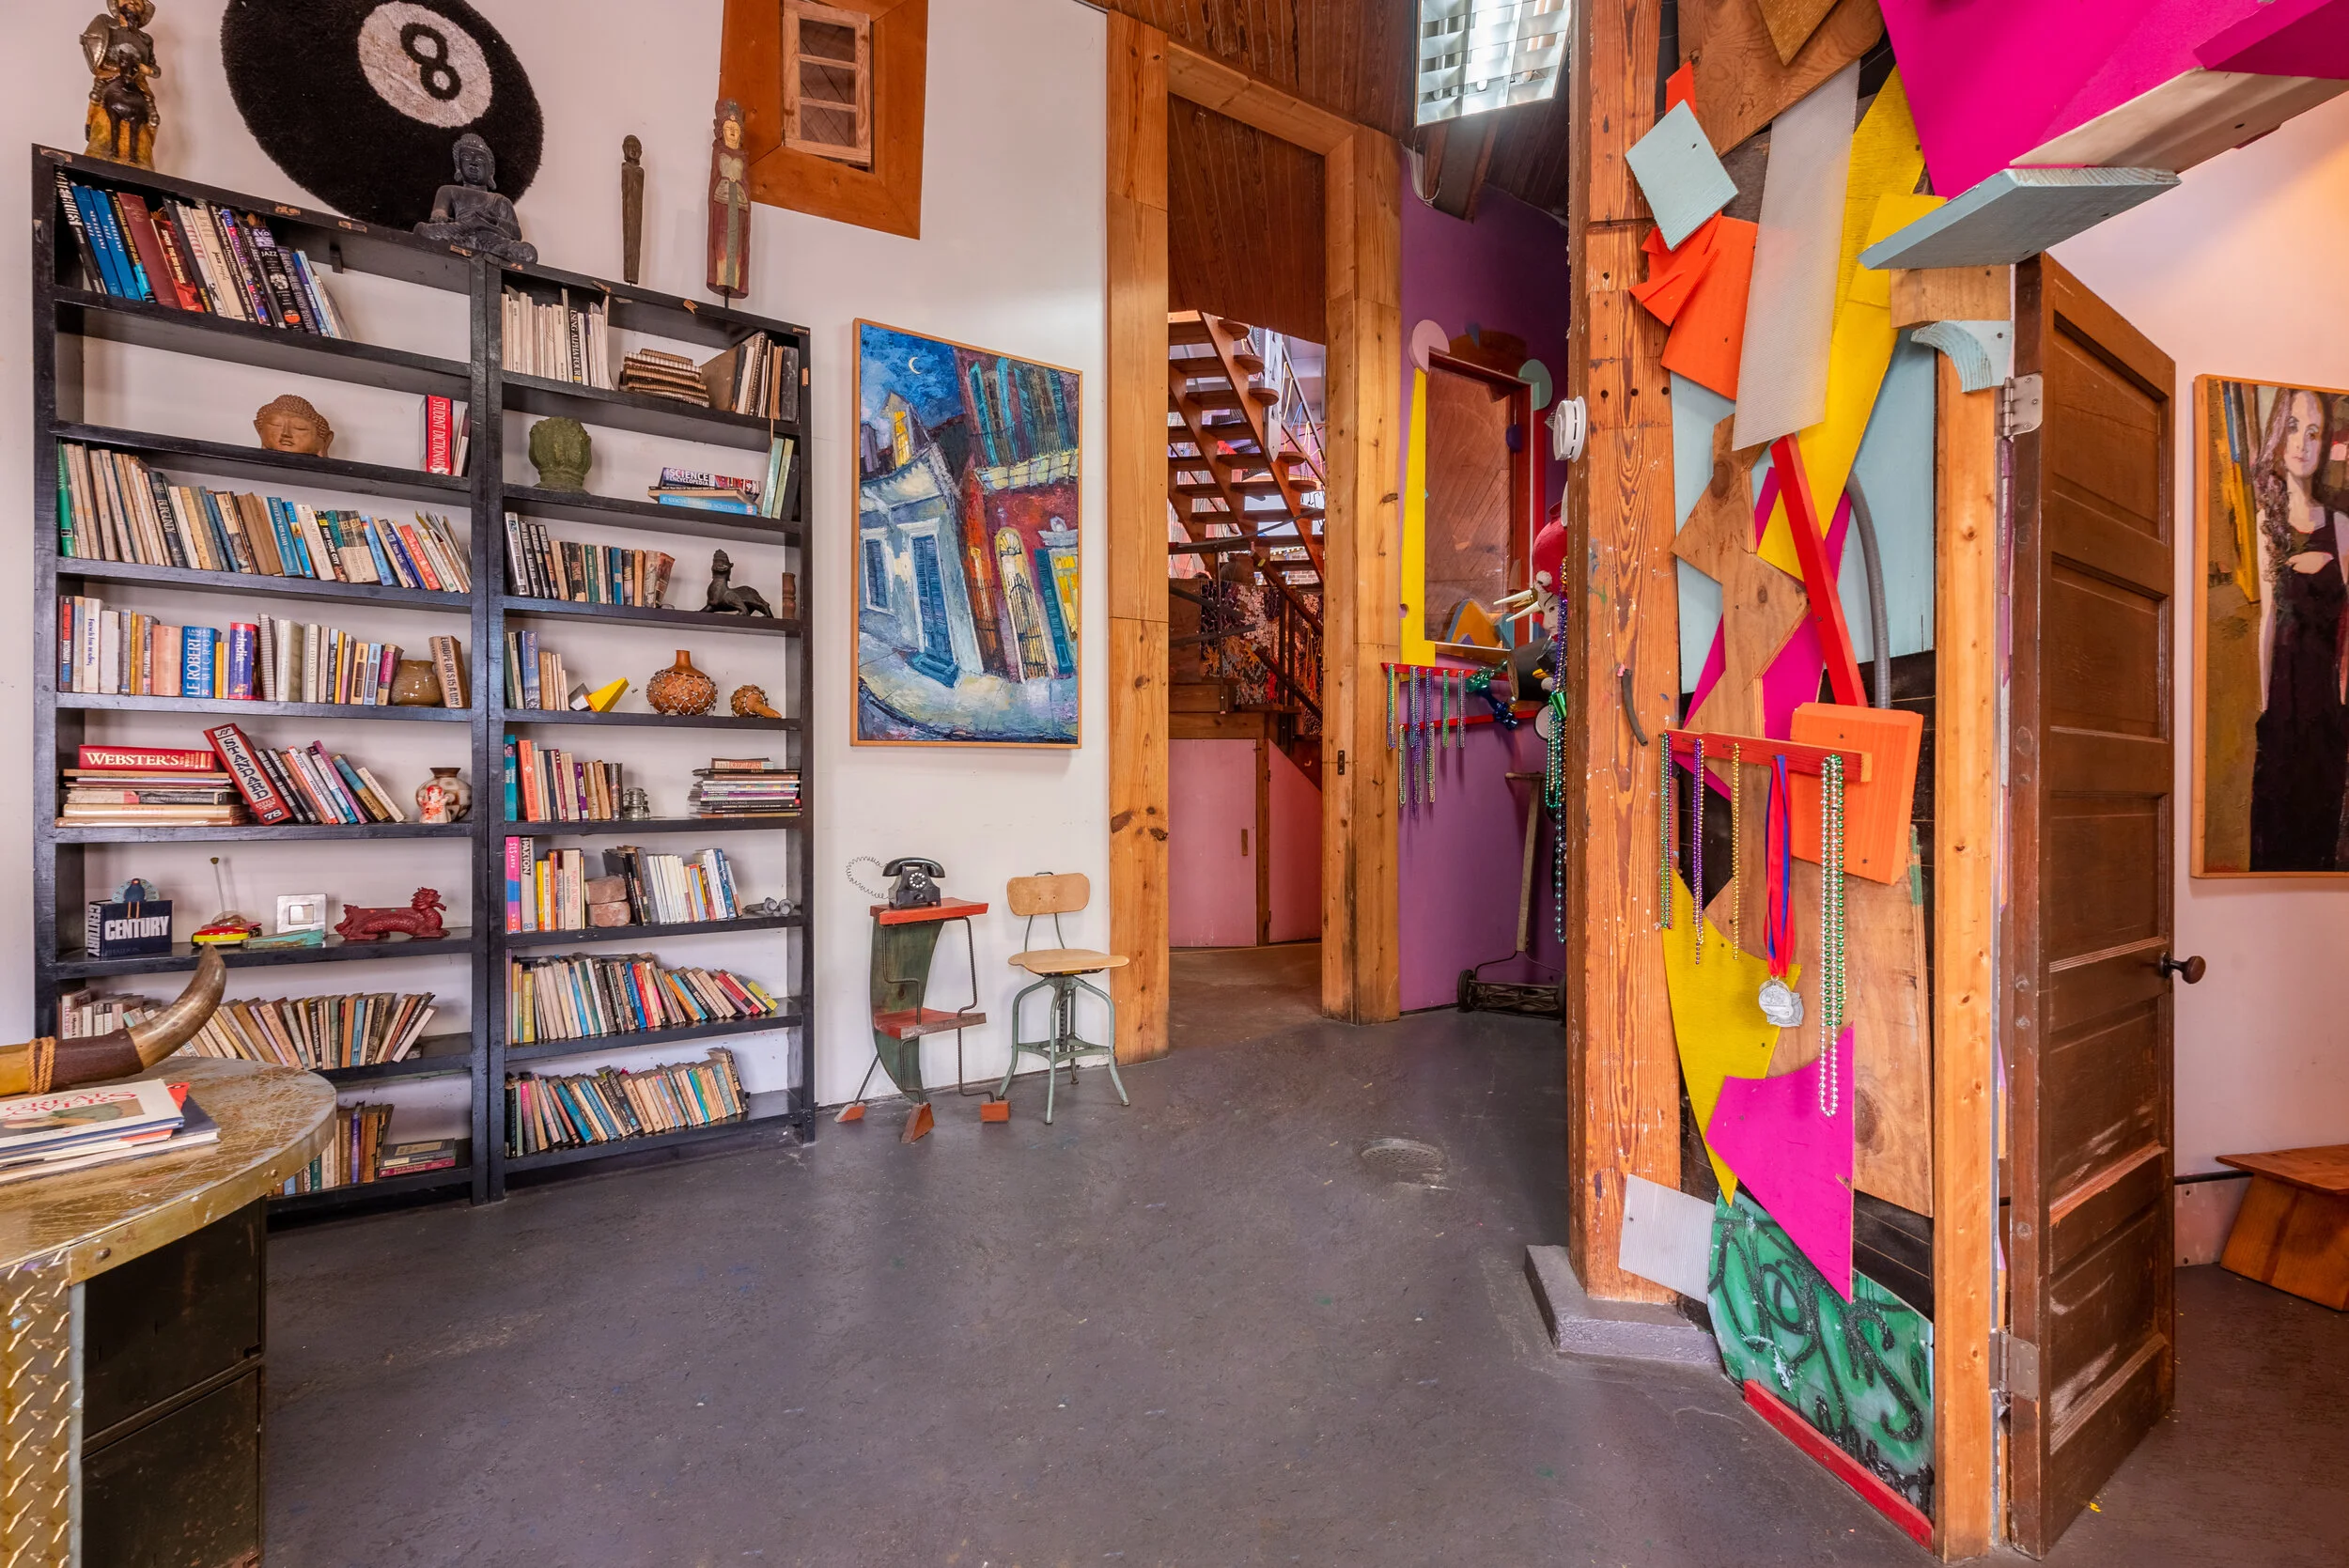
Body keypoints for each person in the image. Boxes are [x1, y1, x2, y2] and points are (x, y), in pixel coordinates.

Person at [2248, 387, 2349, 869]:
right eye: (2292, 427)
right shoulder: (2266, 521)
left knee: (2320, 818)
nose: (2301, 444)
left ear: (2324, 442)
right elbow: (2268, 619)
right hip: (2283, 701)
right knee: (2275, 818)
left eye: (2313, 432)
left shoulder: (2342, 526)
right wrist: (2265, 706)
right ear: (2276, 434)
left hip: (2328, 702)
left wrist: (2344, 695)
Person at [415, 133, 537, 264]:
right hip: (463, 234)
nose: (473, 164)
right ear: (458, 167)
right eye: (466, 158)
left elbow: (516, 234)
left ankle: (478, 234)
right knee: (421, 230)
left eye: (479, 159)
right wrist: (441, 216)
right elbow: (438, 212)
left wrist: (493, 221)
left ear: (491, 170)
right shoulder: (448, 190)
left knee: (529, 252)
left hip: (492, 240)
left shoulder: (501, 200)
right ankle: (473, 225)